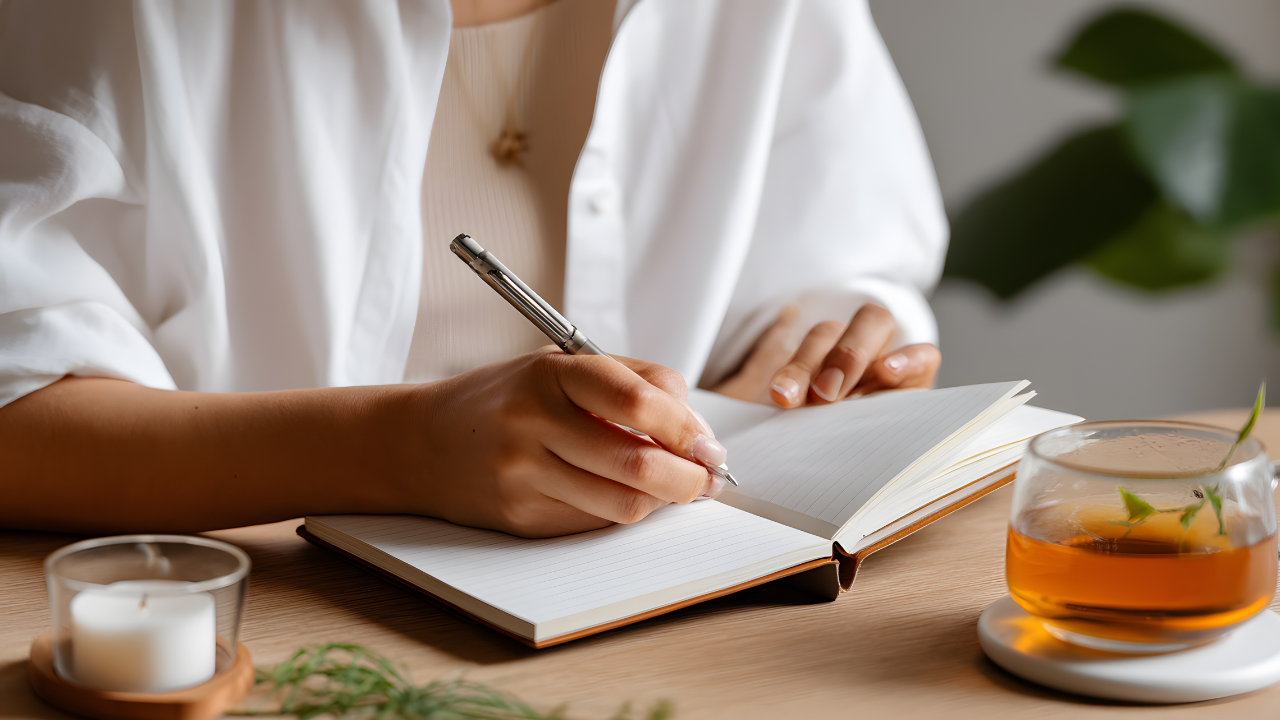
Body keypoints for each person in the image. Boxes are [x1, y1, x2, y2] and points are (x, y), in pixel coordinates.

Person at [0, 0, 946, 537]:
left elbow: (839, 263)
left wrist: (835, 350)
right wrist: (395, 447)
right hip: (250, 627)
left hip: (664, 623)